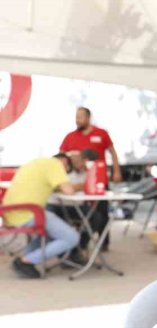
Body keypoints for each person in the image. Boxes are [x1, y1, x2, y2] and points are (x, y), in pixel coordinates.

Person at [3, 150, 93, 278]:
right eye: (67, 170)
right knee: (71, 237)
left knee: (51, 233)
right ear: (65, 163)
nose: (66, 173)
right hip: (29, 212)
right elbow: (69, 190)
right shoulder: (55, 164)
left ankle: (25, 257)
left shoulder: (37, 163)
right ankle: (25, 261)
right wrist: (82, 186)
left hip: (11, 212)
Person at [60, 106, 123, 250]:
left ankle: (103, 243)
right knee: (83, 212)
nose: (77, 120)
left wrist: (116, 171)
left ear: (88, 118)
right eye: (76, 117)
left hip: (99, 180)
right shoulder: (70, 136)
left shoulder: (101, 133)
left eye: (80, 117)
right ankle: (81, 242)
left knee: (102, 211)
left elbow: (112, 152)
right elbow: (61, 157)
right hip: (79, 181)